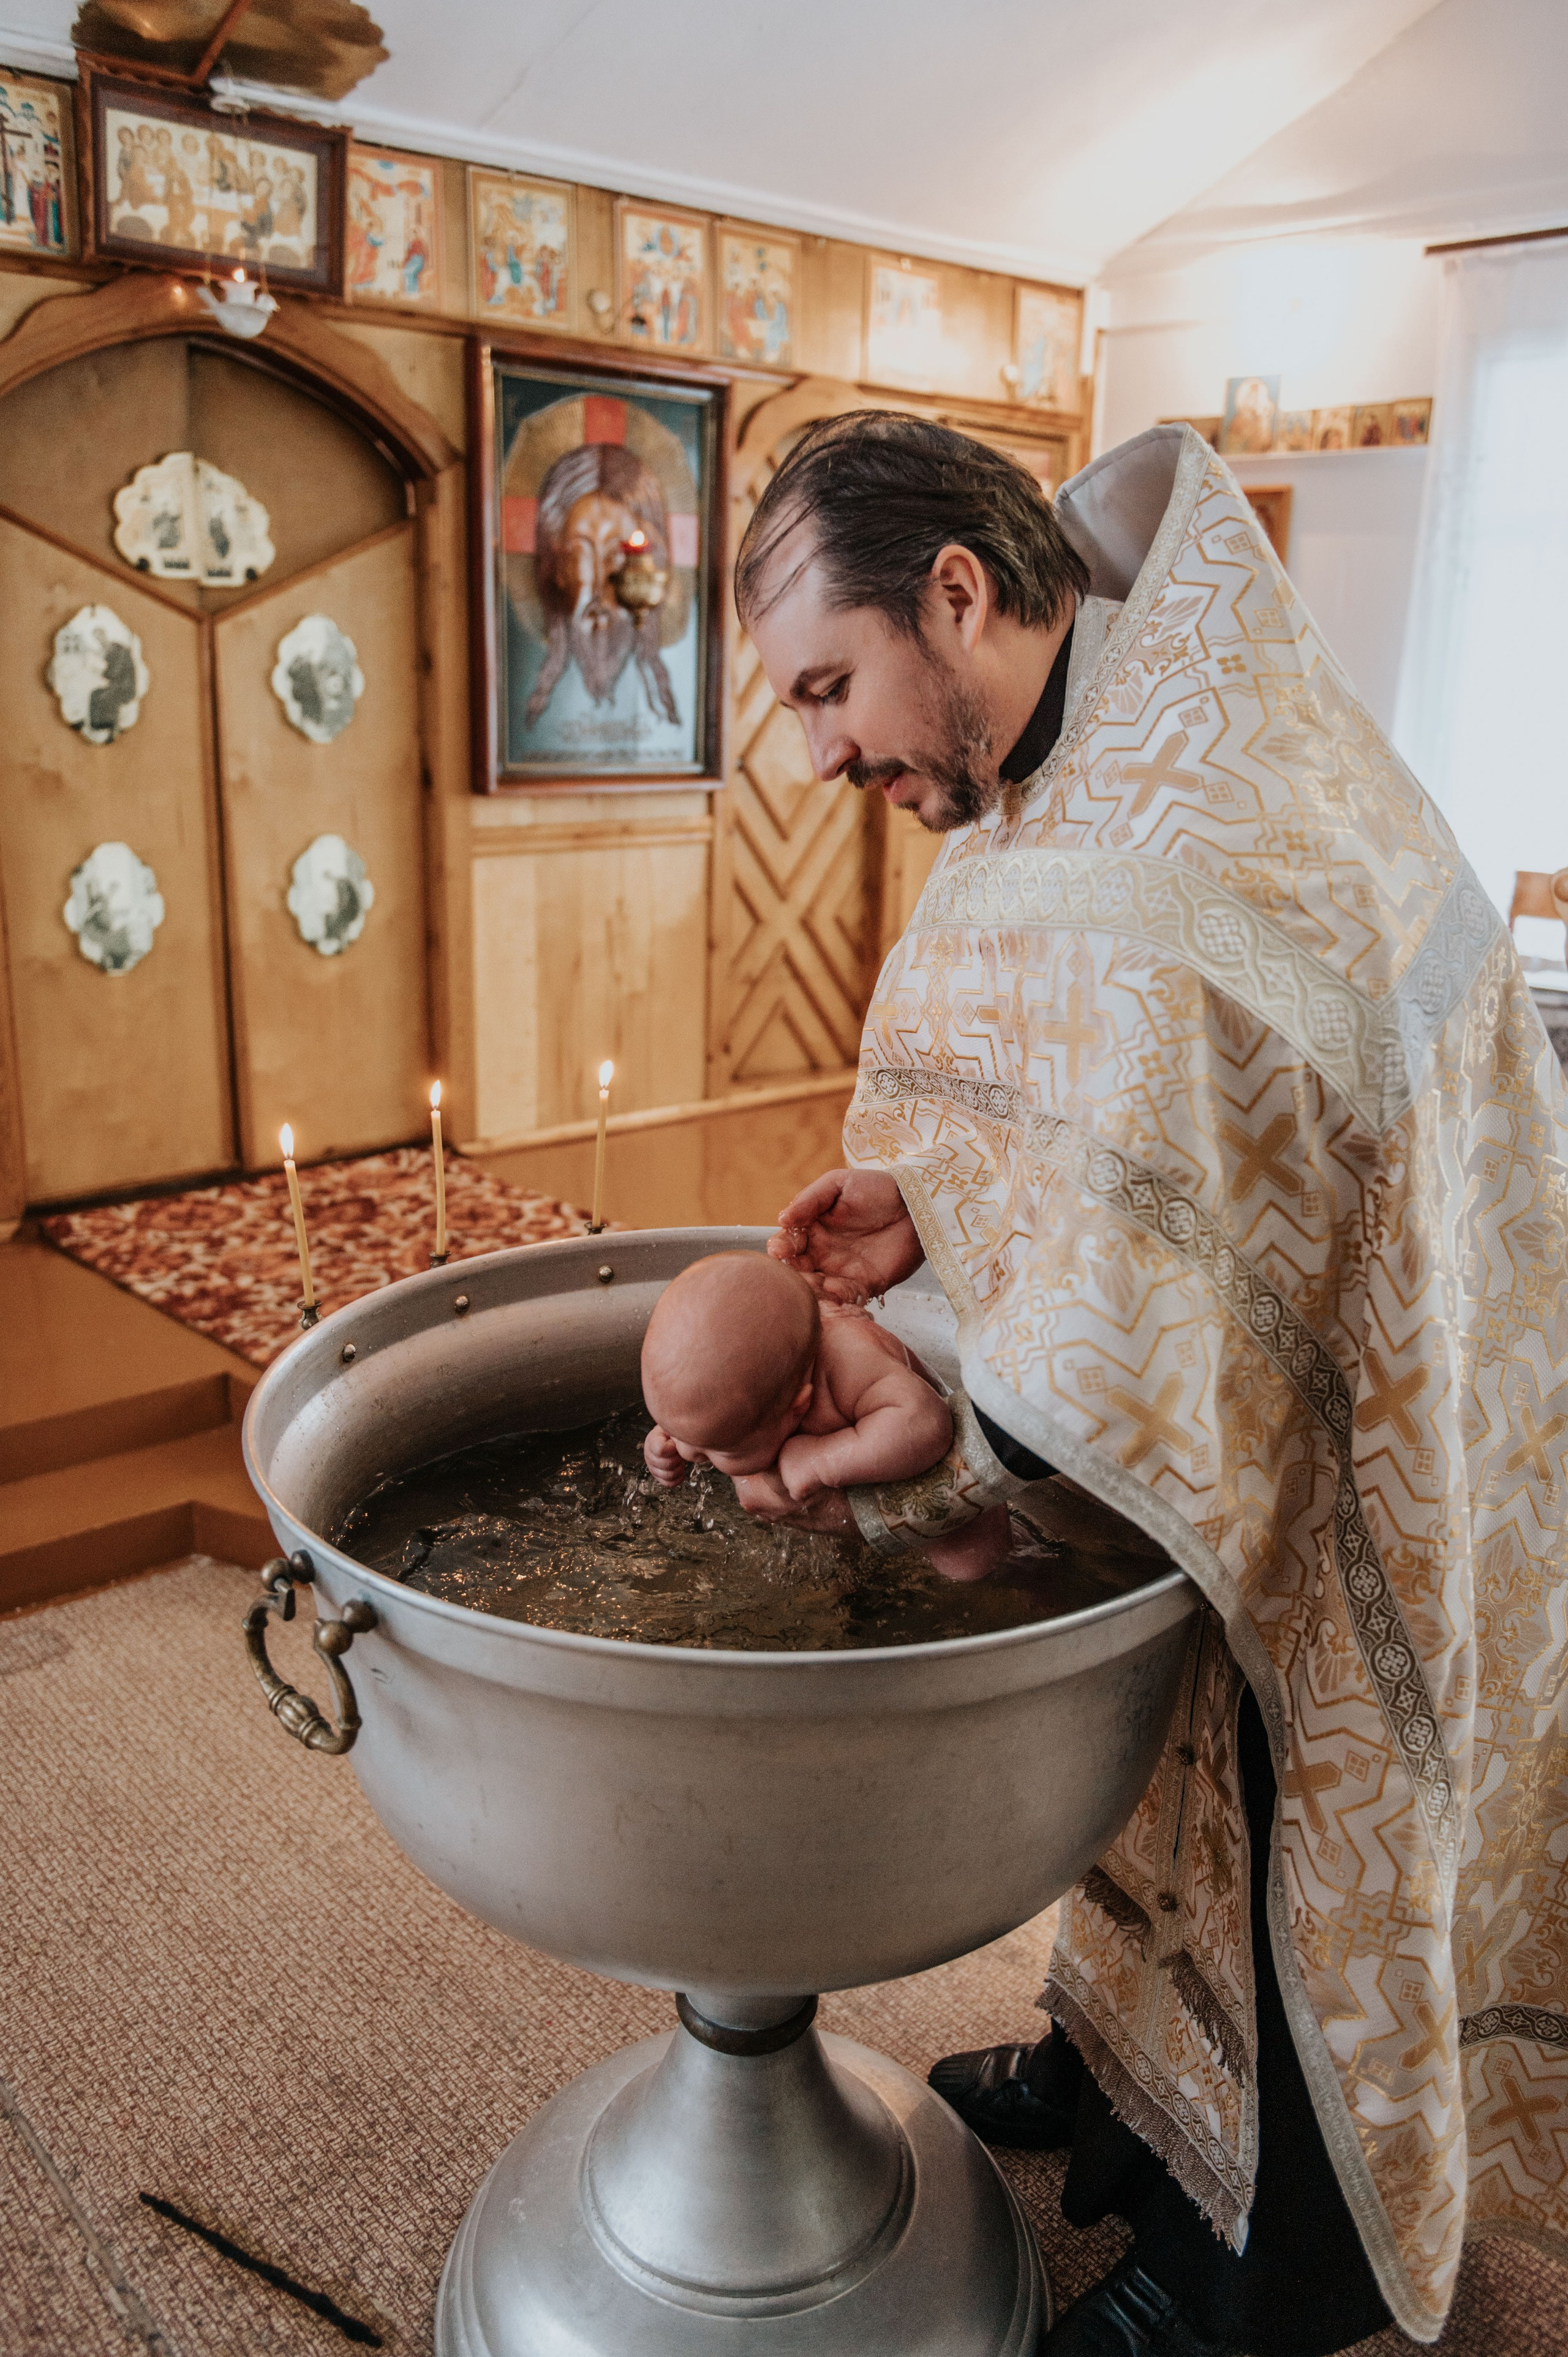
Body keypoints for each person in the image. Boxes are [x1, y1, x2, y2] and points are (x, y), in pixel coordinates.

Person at [734, 410, 1568, 2355]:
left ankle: (1272, 2275)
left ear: (956, 593)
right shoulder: (1050, 763)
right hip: (1212, 1355)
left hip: (1372, 1396)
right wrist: (931, 1204)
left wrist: (951, 1432)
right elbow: (1090, 1123)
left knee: (1291, 1764)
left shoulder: (1218, 796)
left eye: (829, 687)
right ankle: (1122, 2079)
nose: (819, 754)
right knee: (1143, 1735)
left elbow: (1225, 1147)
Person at [641, 1251, 1013, 1583]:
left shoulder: (852, 1362)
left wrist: (824, 1460)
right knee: (840, 1571)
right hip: (857, 1499)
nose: (688, 1453)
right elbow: (701, 1411)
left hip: (948, 1492)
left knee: (972, 1567)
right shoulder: (745, 1374)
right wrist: (670, 1435)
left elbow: (926, 1424)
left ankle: (1020, 1584)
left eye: (721, 1447)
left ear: (798, 1406)